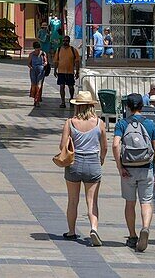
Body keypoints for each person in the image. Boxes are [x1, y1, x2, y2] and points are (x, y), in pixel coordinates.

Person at [112, 94, 155, 252]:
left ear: (127, 107)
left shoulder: (121, 123)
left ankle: (132, 236)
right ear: (142, 106)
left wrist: (120, 167)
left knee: (129, 203)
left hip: (128, 168)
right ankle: (145, 227)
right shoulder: (150, 124)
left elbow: (115, 145)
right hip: (146, 167)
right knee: (146, 202)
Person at [60, 91, 107, 245]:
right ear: (91, 105)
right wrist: (101, 159)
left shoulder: (70, 122)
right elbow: (104, 147)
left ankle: (71, 231)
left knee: (72, 200)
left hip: (74, 163)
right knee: (92, 201)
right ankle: (94, 229)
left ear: (77, 106)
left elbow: (62, 146)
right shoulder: (99, 123)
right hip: (93, 162)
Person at [55, 35, 81, 108]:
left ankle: (71, 98)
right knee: (61, 86)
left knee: (71, 87)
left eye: (66, 41)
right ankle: (63, 102)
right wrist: (55, 70)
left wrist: (77, 71)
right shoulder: (59, 50)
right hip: (61, 72)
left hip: (70, 72)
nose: (65, 42)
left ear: (69, 42)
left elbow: (77, 61)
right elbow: (56, 61)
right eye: (64, 41)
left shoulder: (73, 50)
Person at [28, 40, 47, 106]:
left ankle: (37, 100)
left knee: (39, 85)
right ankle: (35, 99)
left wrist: (43, 65)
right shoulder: (31, 54)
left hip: (40, 70)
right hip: (33, 71)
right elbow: (28, 63)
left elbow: (46, 62)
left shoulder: (43, 53)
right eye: (36, 49)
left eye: (38, 48)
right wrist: (31, 67)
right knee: (34, 85)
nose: (37, 50)